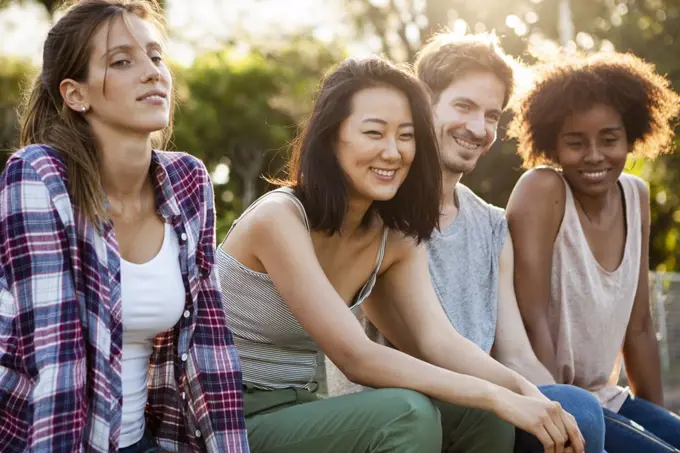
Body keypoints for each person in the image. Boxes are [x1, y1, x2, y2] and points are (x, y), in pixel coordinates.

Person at [218, 55, 584, 453]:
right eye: (374, 133)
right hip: (228, 414)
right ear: (330, 137)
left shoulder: (393, 238)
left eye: (406, 136)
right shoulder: (280, 219)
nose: (393, 152)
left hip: (298, 405)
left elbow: (439, 341)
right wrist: (494, 394)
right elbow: (356, 357)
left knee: (485, 414)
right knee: (407, 413)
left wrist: (523, 391)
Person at [326, 32, 605, 453]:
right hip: (404, 413)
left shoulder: (493, 225)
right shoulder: (378, 213)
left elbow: (514, 354)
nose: (479, 128)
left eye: (492, 115)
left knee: (583, 414)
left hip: (483, 409)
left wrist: (556, 405)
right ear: (422, 103)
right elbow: (426, 346)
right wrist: (524, 398)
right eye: (464, 106)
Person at [0, 1, 248, 452]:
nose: (153, 72)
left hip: (144, 440)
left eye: (156, 56)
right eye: (122, 61)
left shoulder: (188, 182)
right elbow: (56, 360)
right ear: (76, 94)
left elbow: (211, 349)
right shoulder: (39, 176)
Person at [505, 51, 680, 453]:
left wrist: (652, 422)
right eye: (575, 142)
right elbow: (531, 319)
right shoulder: (543, 191)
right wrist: (564, 411)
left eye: (609, 139)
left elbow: (638, 327)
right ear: (551, 143)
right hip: (549, 401)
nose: (595, 155)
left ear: (631, 135)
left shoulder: (635, 195)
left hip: (610, 398)